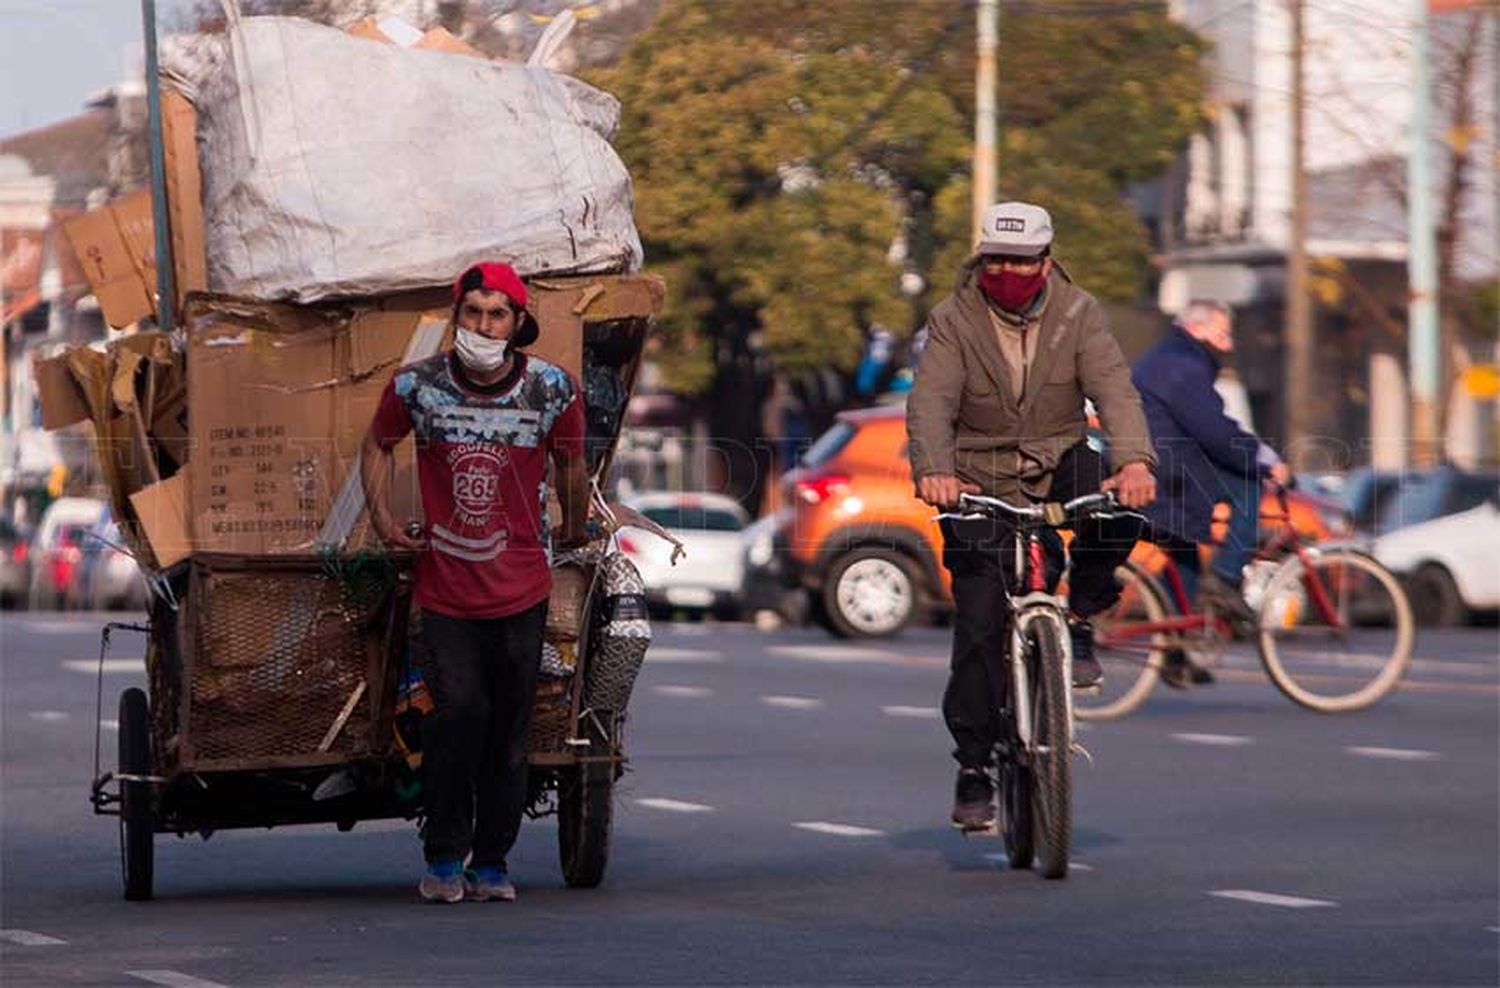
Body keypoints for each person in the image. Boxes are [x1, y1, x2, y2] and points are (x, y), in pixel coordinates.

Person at [907, 201, 1157, 831]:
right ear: (980, 258)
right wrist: (935, 470)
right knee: (980, 623)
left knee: (1116, 510)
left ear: (1045, 262)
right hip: (975, 475)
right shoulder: (952, 319)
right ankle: (973, 767)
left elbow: (1115, 391)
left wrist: (1134, 462)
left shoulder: (1079, 312)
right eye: (996, 259)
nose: (1007, 270)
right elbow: (931, 402)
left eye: (1020, 261)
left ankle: (1079, 615)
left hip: (1059, 455)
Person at [361, 261, 589, 903]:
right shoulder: (416, 388)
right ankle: (442, 856)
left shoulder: (553, 389)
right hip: (445, 589)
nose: (484, 326)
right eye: (473, 313)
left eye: (497, 315)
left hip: (523, 587)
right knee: (459, 715)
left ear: (518, 324)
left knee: (510, 730)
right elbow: (377, 444)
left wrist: (572, 524)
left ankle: (492, 861)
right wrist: (382, 519)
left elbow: (572, 462)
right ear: (455, 317)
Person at [1131, 299, 1290, 685]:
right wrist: (1263, 461)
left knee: (1183, 552)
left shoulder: (1170, 356)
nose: (1229, 342)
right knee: (1248, 487)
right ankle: (1225, 576)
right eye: (1222, 332)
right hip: (1170, 470)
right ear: (1197, 328)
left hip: (1159, 465)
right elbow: (1214, 431)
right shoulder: (1184, 366)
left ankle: (1175, 651)